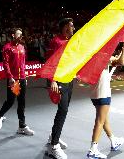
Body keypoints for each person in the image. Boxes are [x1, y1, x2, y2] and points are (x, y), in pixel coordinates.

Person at [86, 42, 124, 159]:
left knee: (104, 119)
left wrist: (123, 50)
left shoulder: (89, 56)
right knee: (100, 121)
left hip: (94, 93)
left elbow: (117, 60)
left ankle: (113, 141)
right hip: (103, 93)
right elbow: (122, 62)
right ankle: (93, 149)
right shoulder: (103, 57)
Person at [0, 28, 34, 136]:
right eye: (18, 34)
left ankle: (22, 126)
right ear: (13, 35)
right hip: (14, 80)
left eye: (21, 34)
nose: (21, 36)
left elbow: (23, 63)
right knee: (11, 101)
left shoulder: (22, 47)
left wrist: (24, 76)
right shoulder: (7, 47)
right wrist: (10, 77)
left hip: (21, 78)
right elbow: (5, 64)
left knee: (22, 103)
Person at [46, 18, 75, 159]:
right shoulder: (55, 42)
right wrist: (53, 81)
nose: (73, 28)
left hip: (69, 79)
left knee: (64, 110)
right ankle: (53, 146)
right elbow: (50, 62)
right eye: (71, 26)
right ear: (65, 27)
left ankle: (53, 137)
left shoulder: (70, 41)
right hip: (59, 81)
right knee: (62, 111)